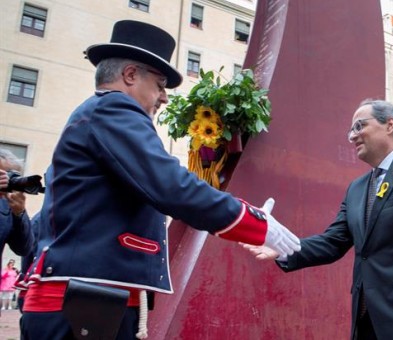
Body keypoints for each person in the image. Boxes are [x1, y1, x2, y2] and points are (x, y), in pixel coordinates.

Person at [19, 20, 300, 340]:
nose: (164, 97)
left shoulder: (98, 114)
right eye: (159, 84)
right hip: (81, 305)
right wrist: (254, 223)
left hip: (90, 300)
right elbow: (169, 185)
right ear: (129, 75)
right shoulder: (114, 108)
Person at [243, 99, 393, 340]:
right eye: (351, 130)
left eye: (359, 126)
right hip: (366, 323)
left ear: (390, 125)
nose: (352, 136)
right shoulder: (356, 189)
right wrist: (280, 244)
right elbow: (332, 242)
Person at [0, 148, 34, 313]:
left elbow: (24, 248)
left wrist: (19, 213)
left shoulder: (8, 205)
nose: (7, 180)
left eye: (12, 176)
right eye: (3, 174)